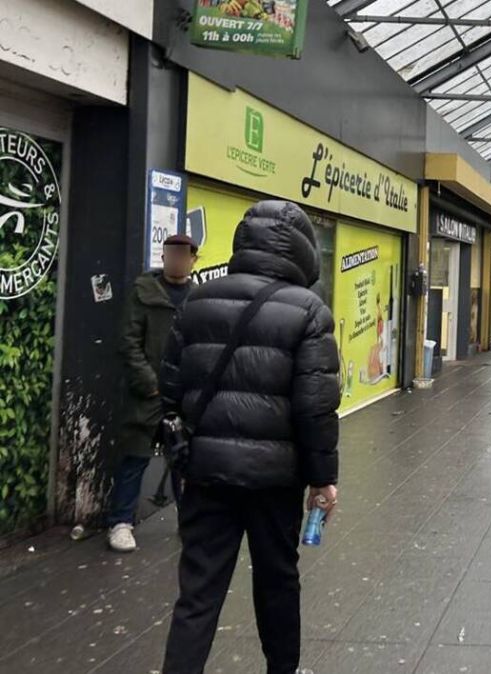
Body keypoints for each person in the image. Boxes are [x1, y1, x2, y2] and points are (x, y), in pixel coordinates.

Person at [159, 201, 340, 674]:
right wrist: (323, 480)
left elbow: (170, 390)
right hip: (274, 481)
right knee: (277, 583)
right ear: (302, 252)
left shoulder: (197, 300)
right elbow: (315, 405)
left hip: (205, 475)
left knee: (198, 593)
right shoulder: (308, 311)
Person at [107, 234, 198, 553]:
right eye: (170, 254)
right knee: (135, 457)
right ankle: (120, 522)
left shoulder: (198, 298)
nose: (175, 260)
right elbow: (128, 342)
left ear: (192, 260)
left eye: (182, 255)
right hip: (147, 393)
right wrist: (151, 383)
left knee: (184, 459)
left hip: (183, 394)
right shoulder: (143, 292)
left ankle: (188, 524)